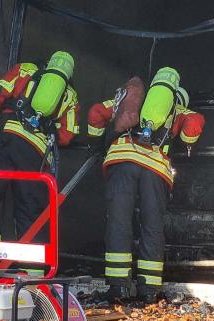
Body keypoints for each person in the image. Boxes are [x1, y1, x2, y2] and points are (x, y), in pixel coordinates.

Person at [87, 68, 205, 304]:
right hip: (154, 170)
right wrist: (184, 143)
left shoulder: (131, 100)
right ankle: (149, 291)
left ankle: (118, 288)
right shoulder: (181, 111)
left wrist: (97, 142)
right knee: (152, 226)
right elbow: (194, 127)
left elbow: (96, 113)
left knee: (119, 221)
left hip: (122, 160)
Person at [0, 51, 79, 272]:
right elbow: (68, 134)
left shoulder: (25, 69)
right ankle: (33, 277)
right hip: (35, 156)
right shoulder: (70, 95)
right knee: (31, 212)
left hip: (5, 140)